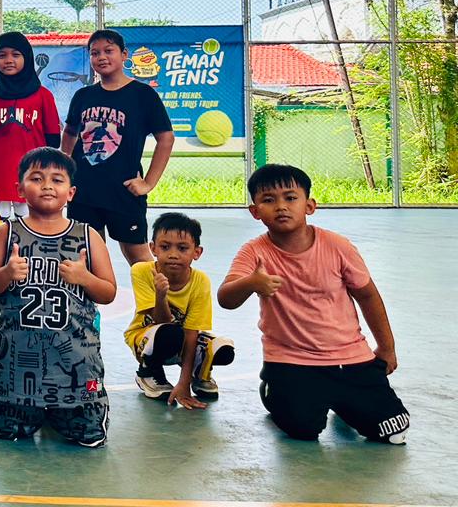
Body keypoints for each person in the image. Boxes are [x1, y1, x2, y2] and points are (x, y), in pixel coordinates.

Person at [218, 164, 409, 444]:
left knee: (394, 431)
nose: (281, 206)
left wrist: (387, 348)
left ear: (309, 206)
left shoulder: (337, 246)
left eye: (290, 197)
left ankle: (347, 403)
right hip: (291, 360)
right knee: (302, 430)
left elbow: (367, 296)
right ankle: (273, 388)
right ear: (255, 211)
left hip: (350, 358)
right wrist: (250, 283)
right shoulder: (254, 252)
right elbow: (226, 298)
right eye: (268, 200)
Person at [0, 147, 116, 447]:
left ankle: (61, 410)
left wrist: (84, 278)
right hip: (16, 370)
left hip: (77, 368)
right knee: (9, 432)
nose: (48, 186)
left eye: (57, 179)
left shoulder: (88, 236)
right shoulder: (5, 233)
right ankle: (35, 409)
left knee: (88, 437)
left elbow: (108, 292)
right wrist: (6, 273)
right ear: (19, 189)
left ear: (71, 192)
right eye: (37, 178)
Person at [0, 33, 62, 333]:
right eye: (2, 55)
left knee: (33, 242)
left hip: (31, 185)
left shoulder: (43, 96)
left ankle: (29, 300)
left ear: (27, 58)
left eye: (15, 55)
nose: (8, 60)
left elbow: (53, 140)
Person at [60, 29, 174, 267]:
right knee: (87, 255)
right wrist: (65, 173)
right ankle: (89, 305)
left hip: (124, 191)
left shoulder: (143, 95)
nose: (101, 57)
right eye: (94, 53)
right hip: (84, 191)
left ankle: (157, 305)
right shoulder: (83, 96)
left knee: (139, 258)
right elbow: (70, 133)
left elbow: (166, 138)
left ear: (124, 55)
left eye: (108, 51)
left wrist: (149, 183)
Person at [124, 212, 234, 408]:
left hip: (181, 338)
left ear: (197, 252)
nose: (173, 254)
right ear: (153, 248)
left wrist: (185, 384)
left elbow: (192, 333)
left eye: (182, 248)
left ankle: (198, 374)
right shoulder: (142, 271)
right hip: (148, 338)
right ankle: (149, 372)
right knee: (170, 332)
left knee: (223, 349)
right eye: (165, 247)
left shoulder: (200, 281)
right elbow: (161, 321)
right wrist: (160, 295)